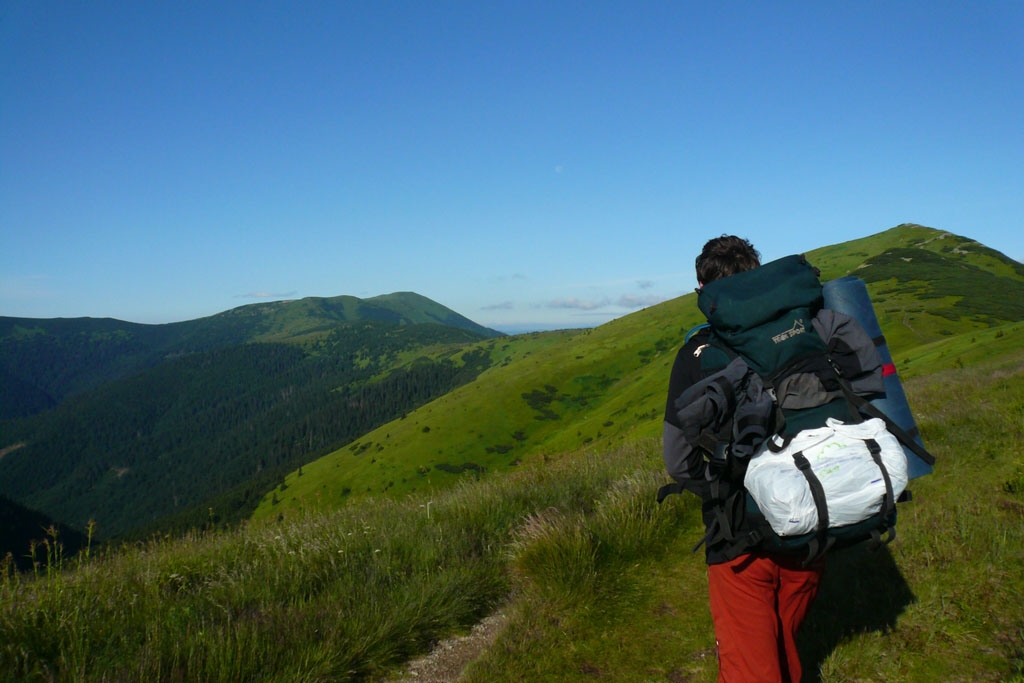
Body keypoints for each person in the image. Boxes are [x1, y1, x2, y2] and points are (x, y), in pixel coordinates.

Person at [662, 235, 825, 683]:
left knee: (752, 667)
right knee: (783, 642)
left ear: (703, 291)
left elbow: (677, 461)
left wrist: (722, 486)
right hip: (815, 516)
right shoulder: (806, 329)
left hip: (740, 535)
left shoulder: (697, 352)